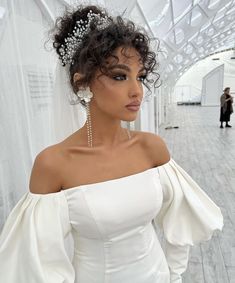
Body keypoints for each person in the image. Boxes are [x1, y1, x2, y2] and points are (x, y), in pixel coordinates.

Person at [0, 5, 223, 283]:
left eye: (139, 76)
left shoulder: (151, 148)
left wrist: (173, 276)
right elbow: (41, 264)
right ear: (83, 83)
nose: (137, 90)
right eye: (120, 76)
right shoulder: (54, 164)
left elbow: (180, 222)